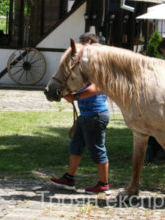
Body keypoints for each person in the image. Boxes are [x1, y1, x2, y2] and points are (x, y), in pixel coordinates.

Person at [50, 33, 111, 194]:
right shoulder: (85, 67)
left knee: (97, 148)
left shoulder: (97, 65)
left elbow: (96, 88)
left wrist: (75, 97)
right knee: (76, 146)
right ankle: (69, 178)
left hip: (95, 114)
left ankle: (104, 184)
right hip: (87, 115)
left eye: (82, 44)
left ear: (89, 43)